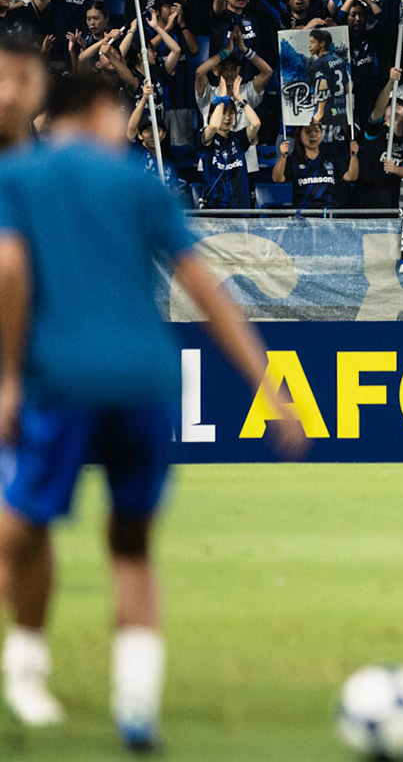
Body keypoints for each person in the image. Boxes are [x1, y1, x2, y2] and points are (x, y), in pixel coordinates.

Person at [0, 71, 303, 747]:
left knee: (21, 528)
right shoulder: (140, 182)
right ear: (102, 111)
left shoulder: (18, 176)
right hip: (146, 380)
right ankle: (136, 708)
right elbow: (208, 289)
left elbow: (11, 273)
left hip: (63, 378)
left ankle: (24, 667)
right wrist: (268, 387)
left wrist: (9, 378)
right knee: (132, 548)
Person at [272, 122, 360, 211]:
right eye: (308, 132)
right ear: (300, 135)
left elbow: (351, 176)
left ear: (321, 133)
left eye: (317, 131)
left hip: (329, 215)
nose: (313, 135)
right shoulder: (294, 160)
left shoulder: (331, 157)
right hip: (303, 215)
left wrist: (354, 155)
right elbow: (277, 178)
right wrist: (283, 156)